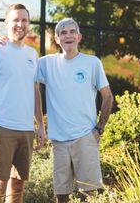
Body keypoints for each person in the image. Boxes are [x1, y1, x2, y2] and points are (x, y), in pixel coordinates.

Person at [37, 18, 114, 203]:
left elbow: (108, 96)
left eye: (72, 32)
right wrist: (5, 41)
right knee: (61, 195)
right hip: (59, 141)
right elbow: (23, 63)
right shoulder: (46, 64)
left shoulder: (92, 63)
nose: (68, 36)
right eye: (63, 33)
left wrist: (99, 129)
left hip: (85, 137)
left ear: (79, 37)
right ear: (57, 39)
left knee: (89, 195)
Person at [0, 3, 45, 203]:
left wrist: (39, 124)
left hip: (26, 130)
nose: (20, 24)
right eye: (15, 20)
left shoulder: (32, 55)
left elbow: (35, 91)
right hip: (2, 128)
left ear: (29, 24)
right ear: (7, 23)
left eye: (24, 20)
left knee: (17, 187)